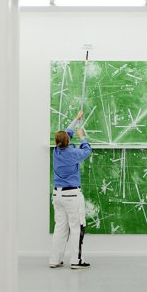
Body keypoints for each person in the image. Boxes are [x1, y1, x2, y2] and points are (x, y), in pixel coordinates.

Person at [49, 110, 92, 269]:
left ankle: (54, 260)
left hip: (57, 195)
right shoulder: (72, 153)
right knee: (76, 227)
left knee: (60, 227)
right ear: (68, 141)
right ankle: (76, 260)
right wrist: (82, 137)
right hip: (72, 196)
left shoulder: (56, 151)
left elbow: (66, 133)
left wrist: (76, 118)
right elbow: (87, 151)